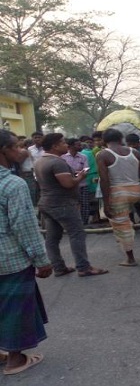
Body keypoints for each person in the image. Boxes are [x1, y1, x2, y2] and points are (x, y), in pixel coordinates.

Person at [0, 130, 52, 376]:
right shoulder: (12, 184)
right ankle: (15, 359)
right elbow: (25, 227)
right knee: (15, 309)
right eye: (18, 146)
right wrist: (42, 261)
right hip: (10, 258)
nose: (23, 151)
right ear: (4, 152)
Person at [34, 133, 108, 278]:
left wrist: (73, 175)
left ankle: (59, 267)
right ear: (55, 146)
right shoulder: (57, 162)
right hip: (62, 204)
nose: (66, 145)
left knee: (52, 237)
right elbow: (68, 184)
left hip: (47, 203)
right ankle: (84, 267)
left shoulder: (40, 161)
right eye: (62, 143)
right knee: (77, 234)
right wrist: (80, 177)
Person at [96, 129, 140, 267]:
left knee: (122, 226)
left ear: (104, 141)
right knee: (130, 220)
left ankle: (130, 258)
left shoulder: (102, 154)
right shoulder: (135, 152)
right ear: (121, 139)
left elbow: (104, 180)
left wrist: (106, 203)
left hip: (118, 193)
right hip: (137, 190)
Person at [62, 138, 90, 224]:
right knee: (71, 204)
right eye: (78, 145)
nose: (80, 146)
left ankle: (84, 222)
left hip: (82, 184)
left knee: (84, 204)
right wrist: (79, 173)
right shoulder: (63, 158)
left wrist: (74, 174)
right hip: (70, 185)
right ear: (70, 146)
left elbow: (86, 170)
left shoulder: (83, 157)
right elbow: (63, 172)